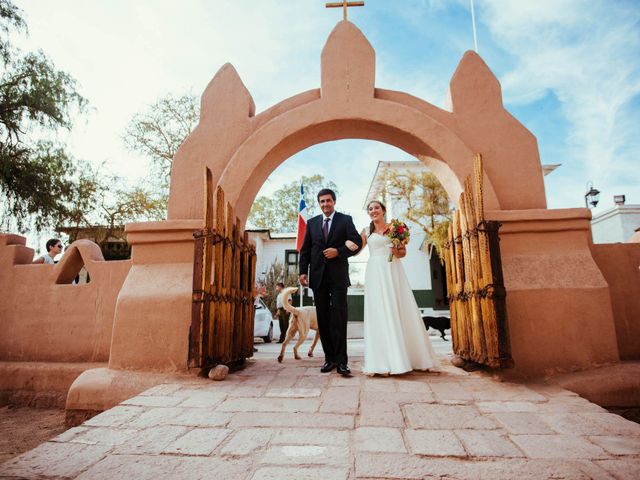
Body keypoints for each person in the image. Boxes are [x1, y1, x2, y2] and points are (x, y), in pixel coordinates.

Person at [353, 200, 439, 376]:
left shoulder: (395, 228)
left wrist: (394, 248)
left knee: (397, 307)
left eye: (377, 207)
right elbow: (355, 249)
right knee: (379, 311)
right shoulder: (366, 231)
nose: (373, 211)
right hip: (375, 272)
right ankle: (382, 362)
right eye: (370, 209)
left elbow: (402, 253)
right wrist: (341, 247)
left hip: (392, 270)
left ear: (383, 210)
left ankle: (409, 358)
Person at [299, 188, 362, 376]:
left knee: (339, 318)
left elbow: (357, 241)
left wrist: (339, 251)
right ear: (319, 204)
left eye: (328, 201)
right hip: (318, 278)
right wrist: (303, 271)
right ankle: (330, 359)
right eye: (322, 201)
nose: (325, 204)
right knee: (324, 320)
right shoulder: (311, 223)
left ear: (334, 202)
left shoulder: (345, 220)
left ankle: (342, 362)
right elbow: (305, 250)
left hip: (338, 278)